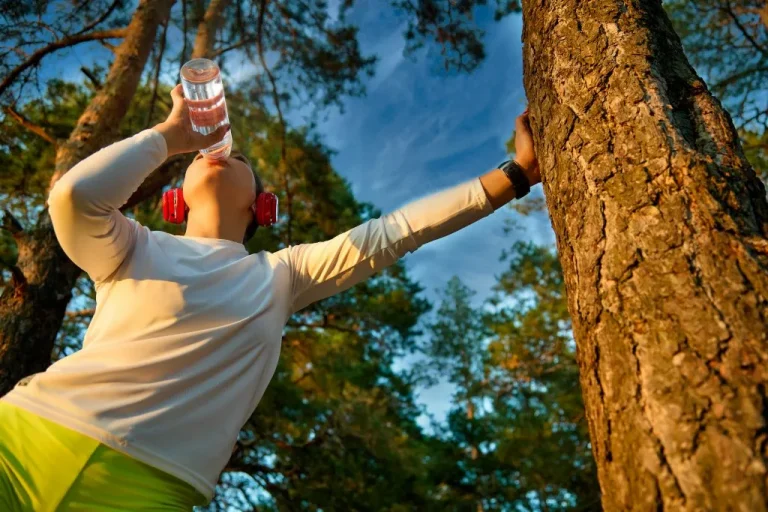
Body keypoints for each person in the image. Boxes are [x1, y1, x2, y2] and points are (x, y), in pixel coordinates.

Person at [0, 84, 541, 511]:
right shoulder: (133, 246)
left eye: (239, 158)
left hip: (151, 490)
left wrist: (518, 174)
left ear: (263, 207)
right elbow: (74, 197)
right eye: (196, 158)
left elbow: (395, 232)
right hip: (21, 440)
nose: (219, 154)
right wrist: (170, 134)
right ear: (175, 199)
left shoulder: (281, 275)